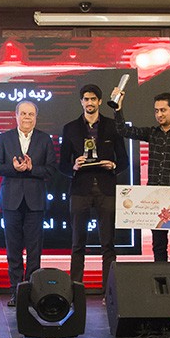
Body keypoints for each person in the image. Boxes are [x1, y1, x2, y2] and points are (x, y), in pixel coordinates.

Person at [111, 88, 170, 262]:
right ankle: (161, 278)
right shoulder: (152, 133)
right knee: (158, 245)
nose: (159, 114)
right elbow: (123, 130)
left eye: (163, 110)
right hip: (155, 198)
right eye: (156, 111)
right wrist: (118, 108)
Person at [59, 84, 128, 290]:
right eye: (86, 99)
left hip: (106, 188)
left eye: (93, 99)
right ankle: (75, 290)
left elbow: (124, 160)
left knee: (108, 244)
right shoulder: (70, 128)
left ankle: (109, 292)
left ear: (99, 101)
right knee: (77, 243)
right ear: (81, 102)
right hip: (80, 189)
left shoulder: (112, 126)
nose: (89, 103)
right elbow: (62, 165)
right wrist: (73, 166)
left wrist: (113, 165)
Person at [0, 100, 56, 307]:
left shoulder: (44, 139)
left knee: (34, 250)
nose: (27, 117)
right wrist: (14, 168)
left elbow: (51, 170)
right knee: (13, 249)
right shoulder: (4, 138)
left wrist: (31, 168)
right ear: (16, 115)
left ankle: (32, 292)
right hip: (11, 200)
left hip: (35, 201)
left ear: (36, 117)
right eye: (23, 113)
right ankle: (15, 292)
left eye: (31, 114)